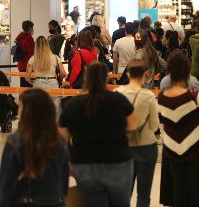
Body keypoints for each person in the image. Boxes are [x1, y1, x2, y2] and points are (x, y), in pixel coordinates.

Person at [59, 62, 137, 207]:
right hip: (118, 161)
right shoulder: (119, 100)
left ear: (86, 78)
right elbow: (133, 124)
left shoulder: (72, 104)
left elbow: (62, 139)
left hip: (84, 164)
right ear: (106, 78)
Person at [158, 52, 199, 207]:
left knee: (178, 185)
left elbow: (161, 119)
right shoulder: (194, 95)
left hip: (171, 148)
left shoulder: (162, 97)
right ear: (187, 71)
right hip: (195, 147)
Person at [0, 89, 69, 207]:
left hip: (23, 201)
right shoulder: (59, 142)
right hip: (54, 201)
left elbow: (6, 181)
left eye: (21, 107)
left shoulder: (15, 141)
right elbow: (63, 181)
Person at [116, 60, 159, 207]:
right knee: (143, 193)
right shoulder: (148, 96)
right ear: (145, 74)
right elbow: (154, 125)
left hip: (123, 147)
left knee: (123, 191)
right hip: (146, 146)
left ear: (127, 74)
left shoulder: (117, 93)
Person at [26, 36, 67, 113]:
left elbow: (27, 76)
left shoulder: (33, 58)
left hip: (38, 83)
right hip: (53, 83)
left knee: (38, 109)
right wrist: (59, 80)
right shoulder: (55, 57)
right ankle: (55, 124)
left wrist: (31, 82)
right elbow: (63, 73)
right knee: (56, 109)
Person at [15, 20, 35, 87]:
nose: (33, 29)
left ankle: (23, 97)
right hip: (28, 65)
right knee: (29, 85)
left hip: (21, 64)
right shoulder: (29, 38)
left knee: (23, 85)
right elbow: (32, 53)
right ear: (30, 28)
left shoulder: (20, 37)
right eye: (32, 27)